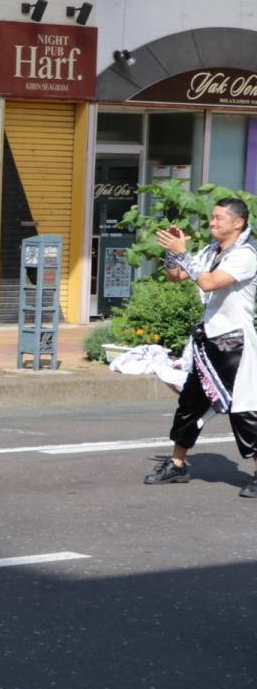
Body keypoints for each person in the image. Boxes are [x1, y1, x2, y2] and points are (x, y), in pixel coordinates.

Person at [146, 197, 257, 497]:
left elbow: (208, 283)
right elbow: (176, 276)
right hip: (207, 342)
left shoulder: (245, 255)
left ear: (238, 223)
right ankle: (178, 463)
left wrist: (185, 254)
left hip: (234, 343)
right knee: (190, 403)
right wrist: (174, 254)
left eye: (220, 218)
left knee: (242, 409)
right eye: (212, 217)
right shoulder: (211, 251)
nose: (213, 222)